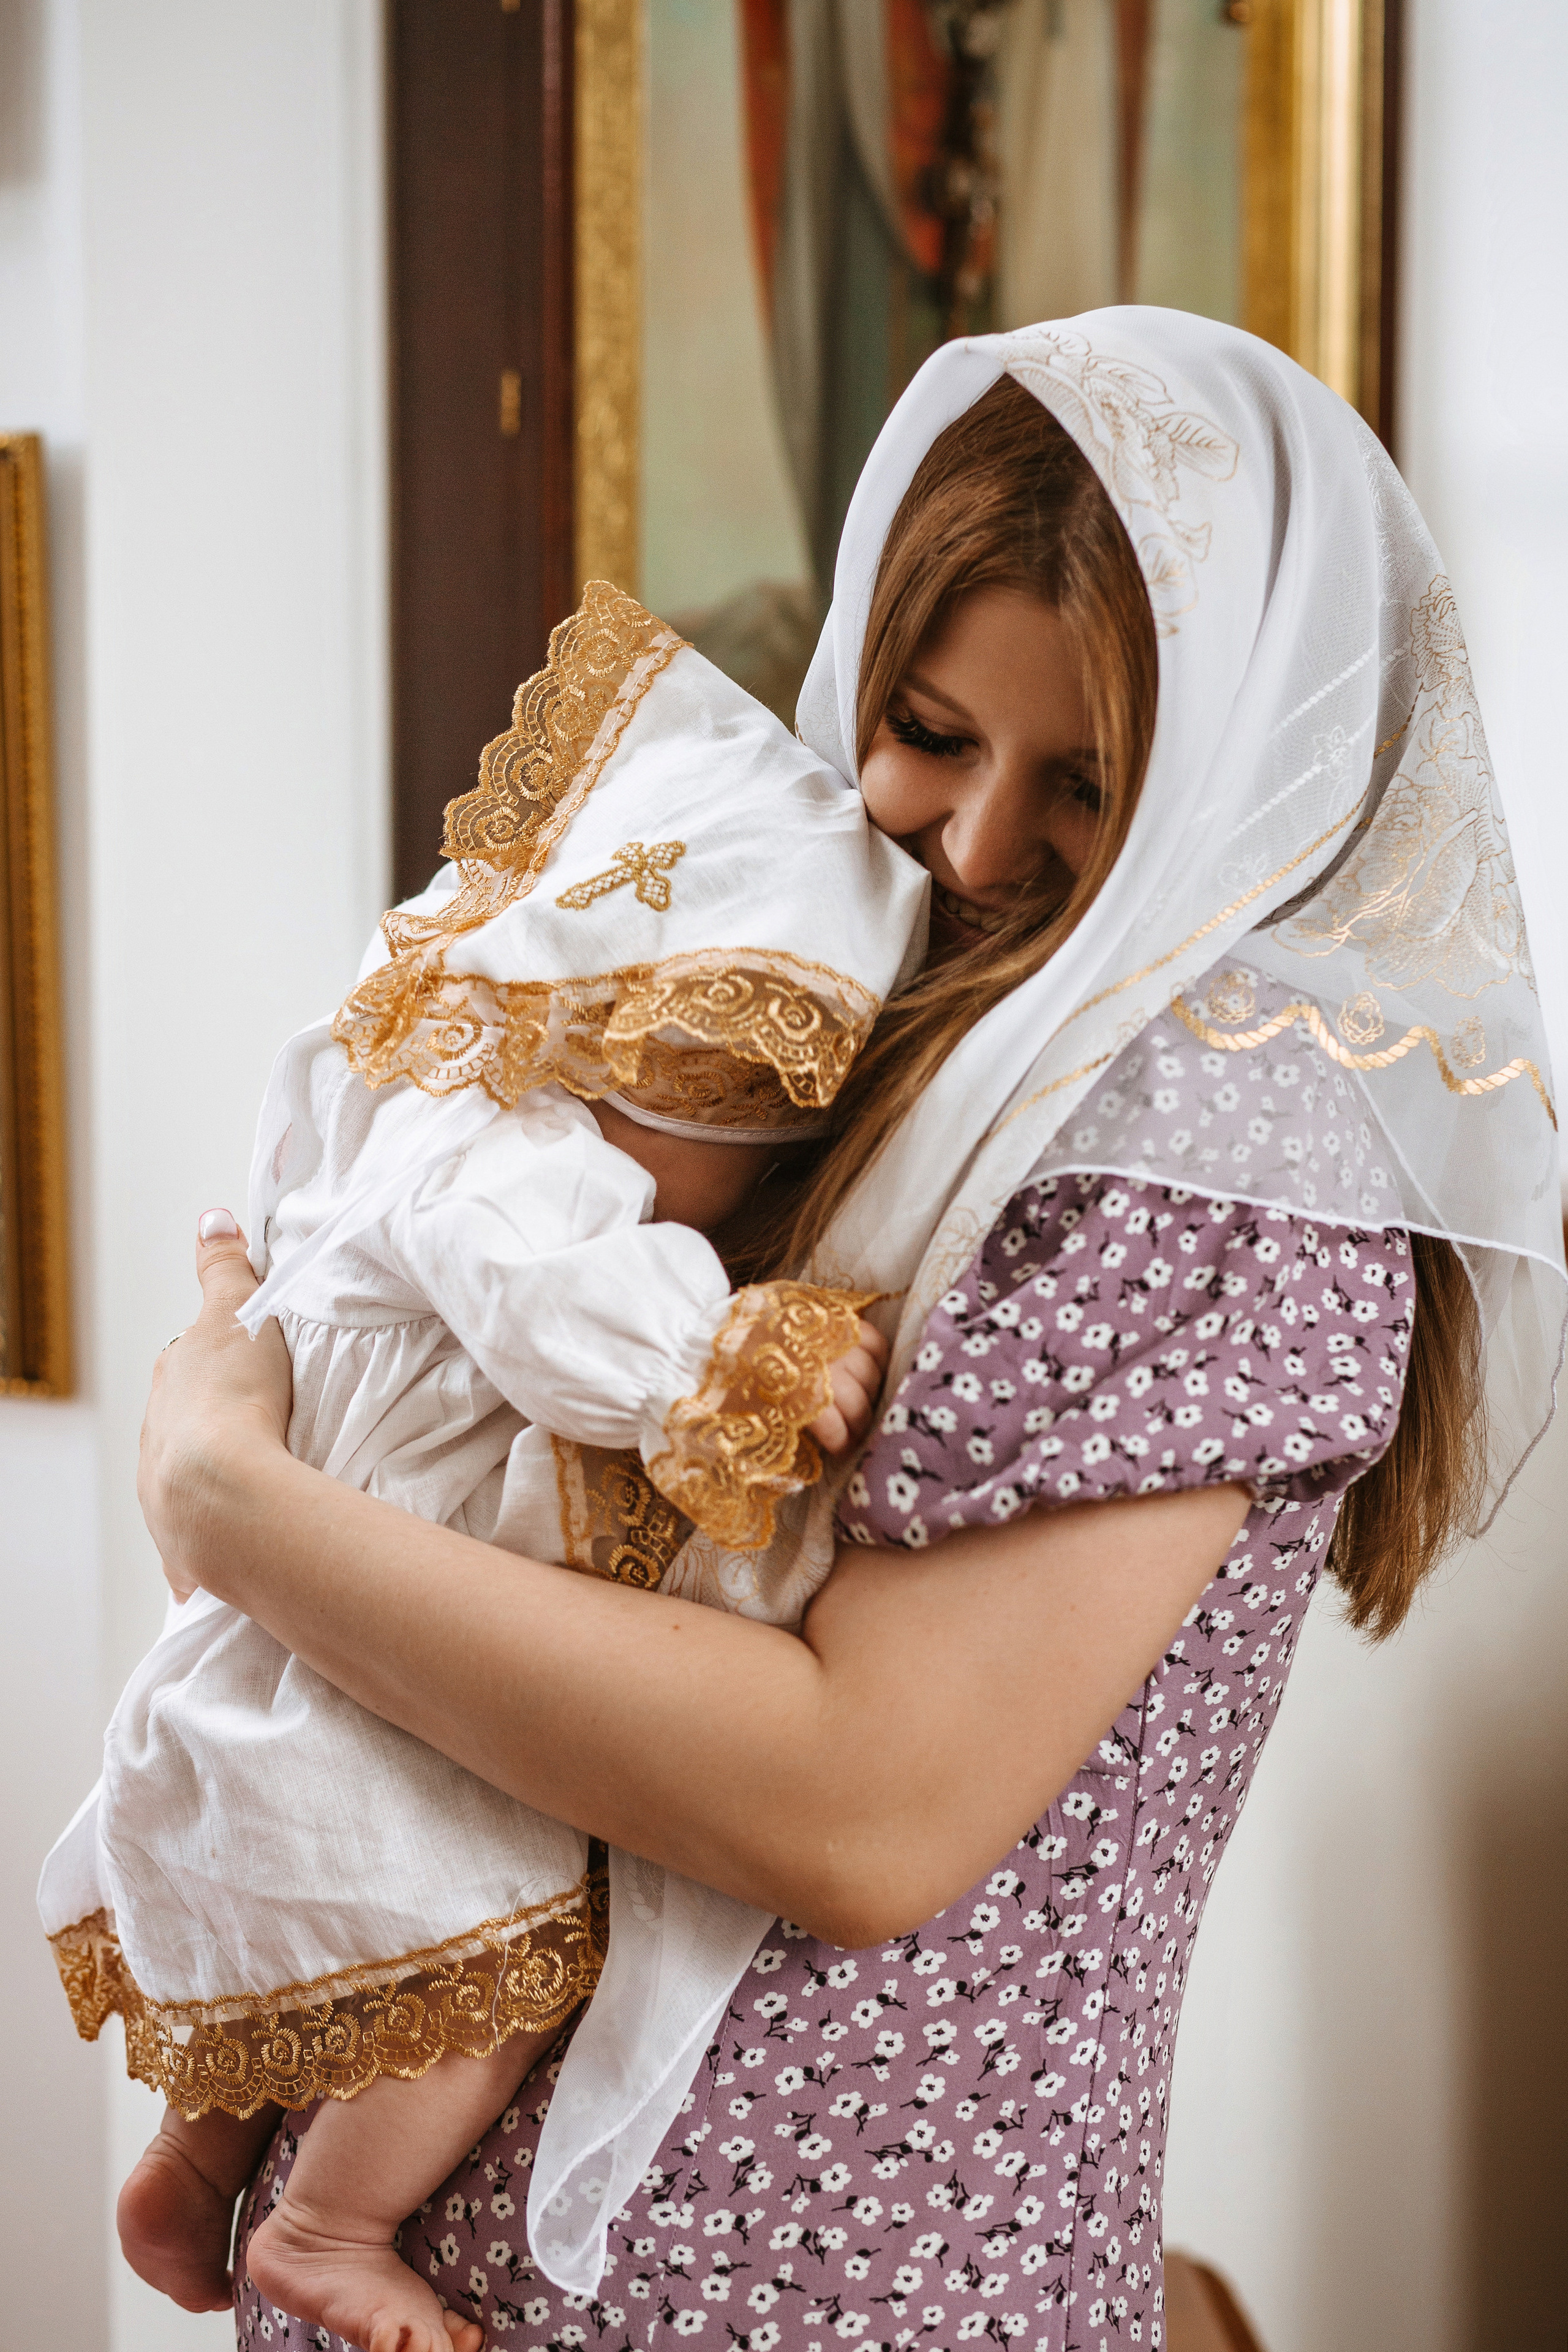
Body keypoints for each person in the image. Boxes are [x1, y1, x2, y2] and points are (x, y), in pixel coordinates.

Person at [133, 312, 1562, 2352]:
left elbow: (856, 1810)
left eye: (1085, 782)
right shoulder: (849, 1000)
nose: (977, 849)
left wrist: (232, 1496)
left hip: (806, 2291)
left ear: (1251, 773)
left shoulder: (1220, 1155)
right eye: (930, 729)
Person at [39, 599, 929, 2352]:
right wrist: (727, 1362)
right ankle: (319, 2224)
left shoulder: (421, 1099)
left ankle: (198, 2153)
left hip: (305, 1627)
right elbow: (556, 1305)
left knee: (313, 1920)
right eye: (732, 1146)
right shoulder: (522, 1155)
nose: (718, 1205)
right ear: (650, 1051)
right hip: (388, 1665)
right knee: (487, 1936)